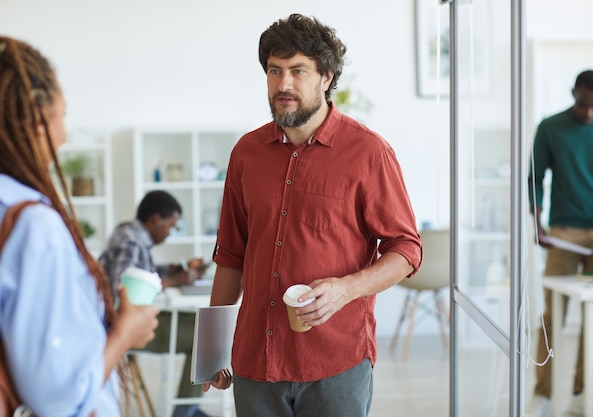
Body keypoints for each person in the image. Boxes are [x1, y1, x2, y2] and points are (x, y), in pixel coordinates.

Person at [203, 14, 422, 417]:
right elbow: (231, 255)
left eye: (298, 71)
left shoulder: (369, 154)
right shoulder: (245, 154)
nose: (283, 84)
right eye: (274, 70)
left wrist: (345, 289)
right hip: (255, 363)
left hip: (334, 364)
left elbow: (406, 250)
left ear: (326, 77)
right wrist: (210, 348)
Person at [0, 36, 159, 415]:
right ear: (39, 123)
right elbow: (58, 399)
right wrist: (124, 335)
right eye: (62, 115)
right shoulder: (37, 227)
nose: (64, 132)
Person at [527, 69, 593, 417]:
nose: (588, 113)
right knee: (553, 316)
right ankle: (545, 395)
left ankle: (583, 395)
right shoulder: (550, 127)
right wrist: (536, 222)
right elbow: (535, 178)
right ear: (574, 93)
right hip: (563, 233)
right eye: (583, 104)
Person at [98, 190, 214, 417]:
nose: (170, 232)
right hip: (121, 328)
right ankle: (185, 412)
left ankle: (187, 409)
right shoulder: (131, 242)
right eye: (170, 225)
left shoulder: (129, 233)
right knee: (205, 334)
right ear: (155, 220)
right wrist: (175, 280)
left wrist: (174, 269)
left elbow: (140, 274)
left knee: (202, 328)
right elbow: (123, 291)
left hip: (123, 322)